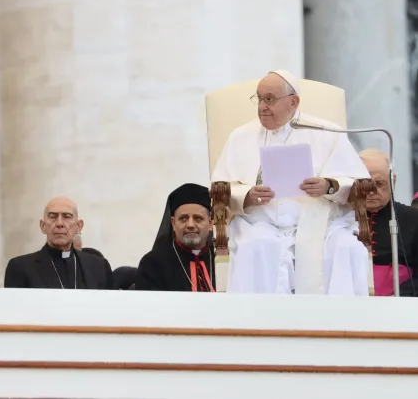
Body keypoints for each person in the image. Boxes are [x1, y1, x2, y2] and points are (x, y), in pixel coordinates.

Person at [211, 70, 370, 295]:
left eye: (270, 99)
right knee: (255, 246)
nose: (262, 106)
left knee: (348, 248)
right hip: (260, 224)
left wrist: (329, 186)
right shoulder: (240, 136)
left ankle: (339, 326)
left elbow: (358, 183)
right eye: (259, 98)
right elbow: (220, 188)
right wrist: (247, 195)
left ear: (293, 102)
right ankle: (258, 326)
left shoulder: (325, 132)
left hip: (321, 226)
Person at [4, 196, 113, 289]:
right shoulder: (21, 267)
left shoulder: (99, 267)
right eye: (53, 217)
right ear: (43, 226)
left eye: (67, 217)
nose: (59, 223)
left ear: (78, 226)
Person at [135, 183, 215, 292]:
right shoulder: (153, 264)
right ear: (173, 223)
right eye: (183, 218)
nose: (190, 225)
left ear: (210, 223)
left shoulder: (224, 262)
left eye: (198, 218)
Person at [359, 149, 418, 296]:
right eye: (364, 183)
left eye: (379, 183)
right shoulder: (340, 220)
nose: (371, 191)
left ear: (394, 181)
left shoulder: (414, 218)